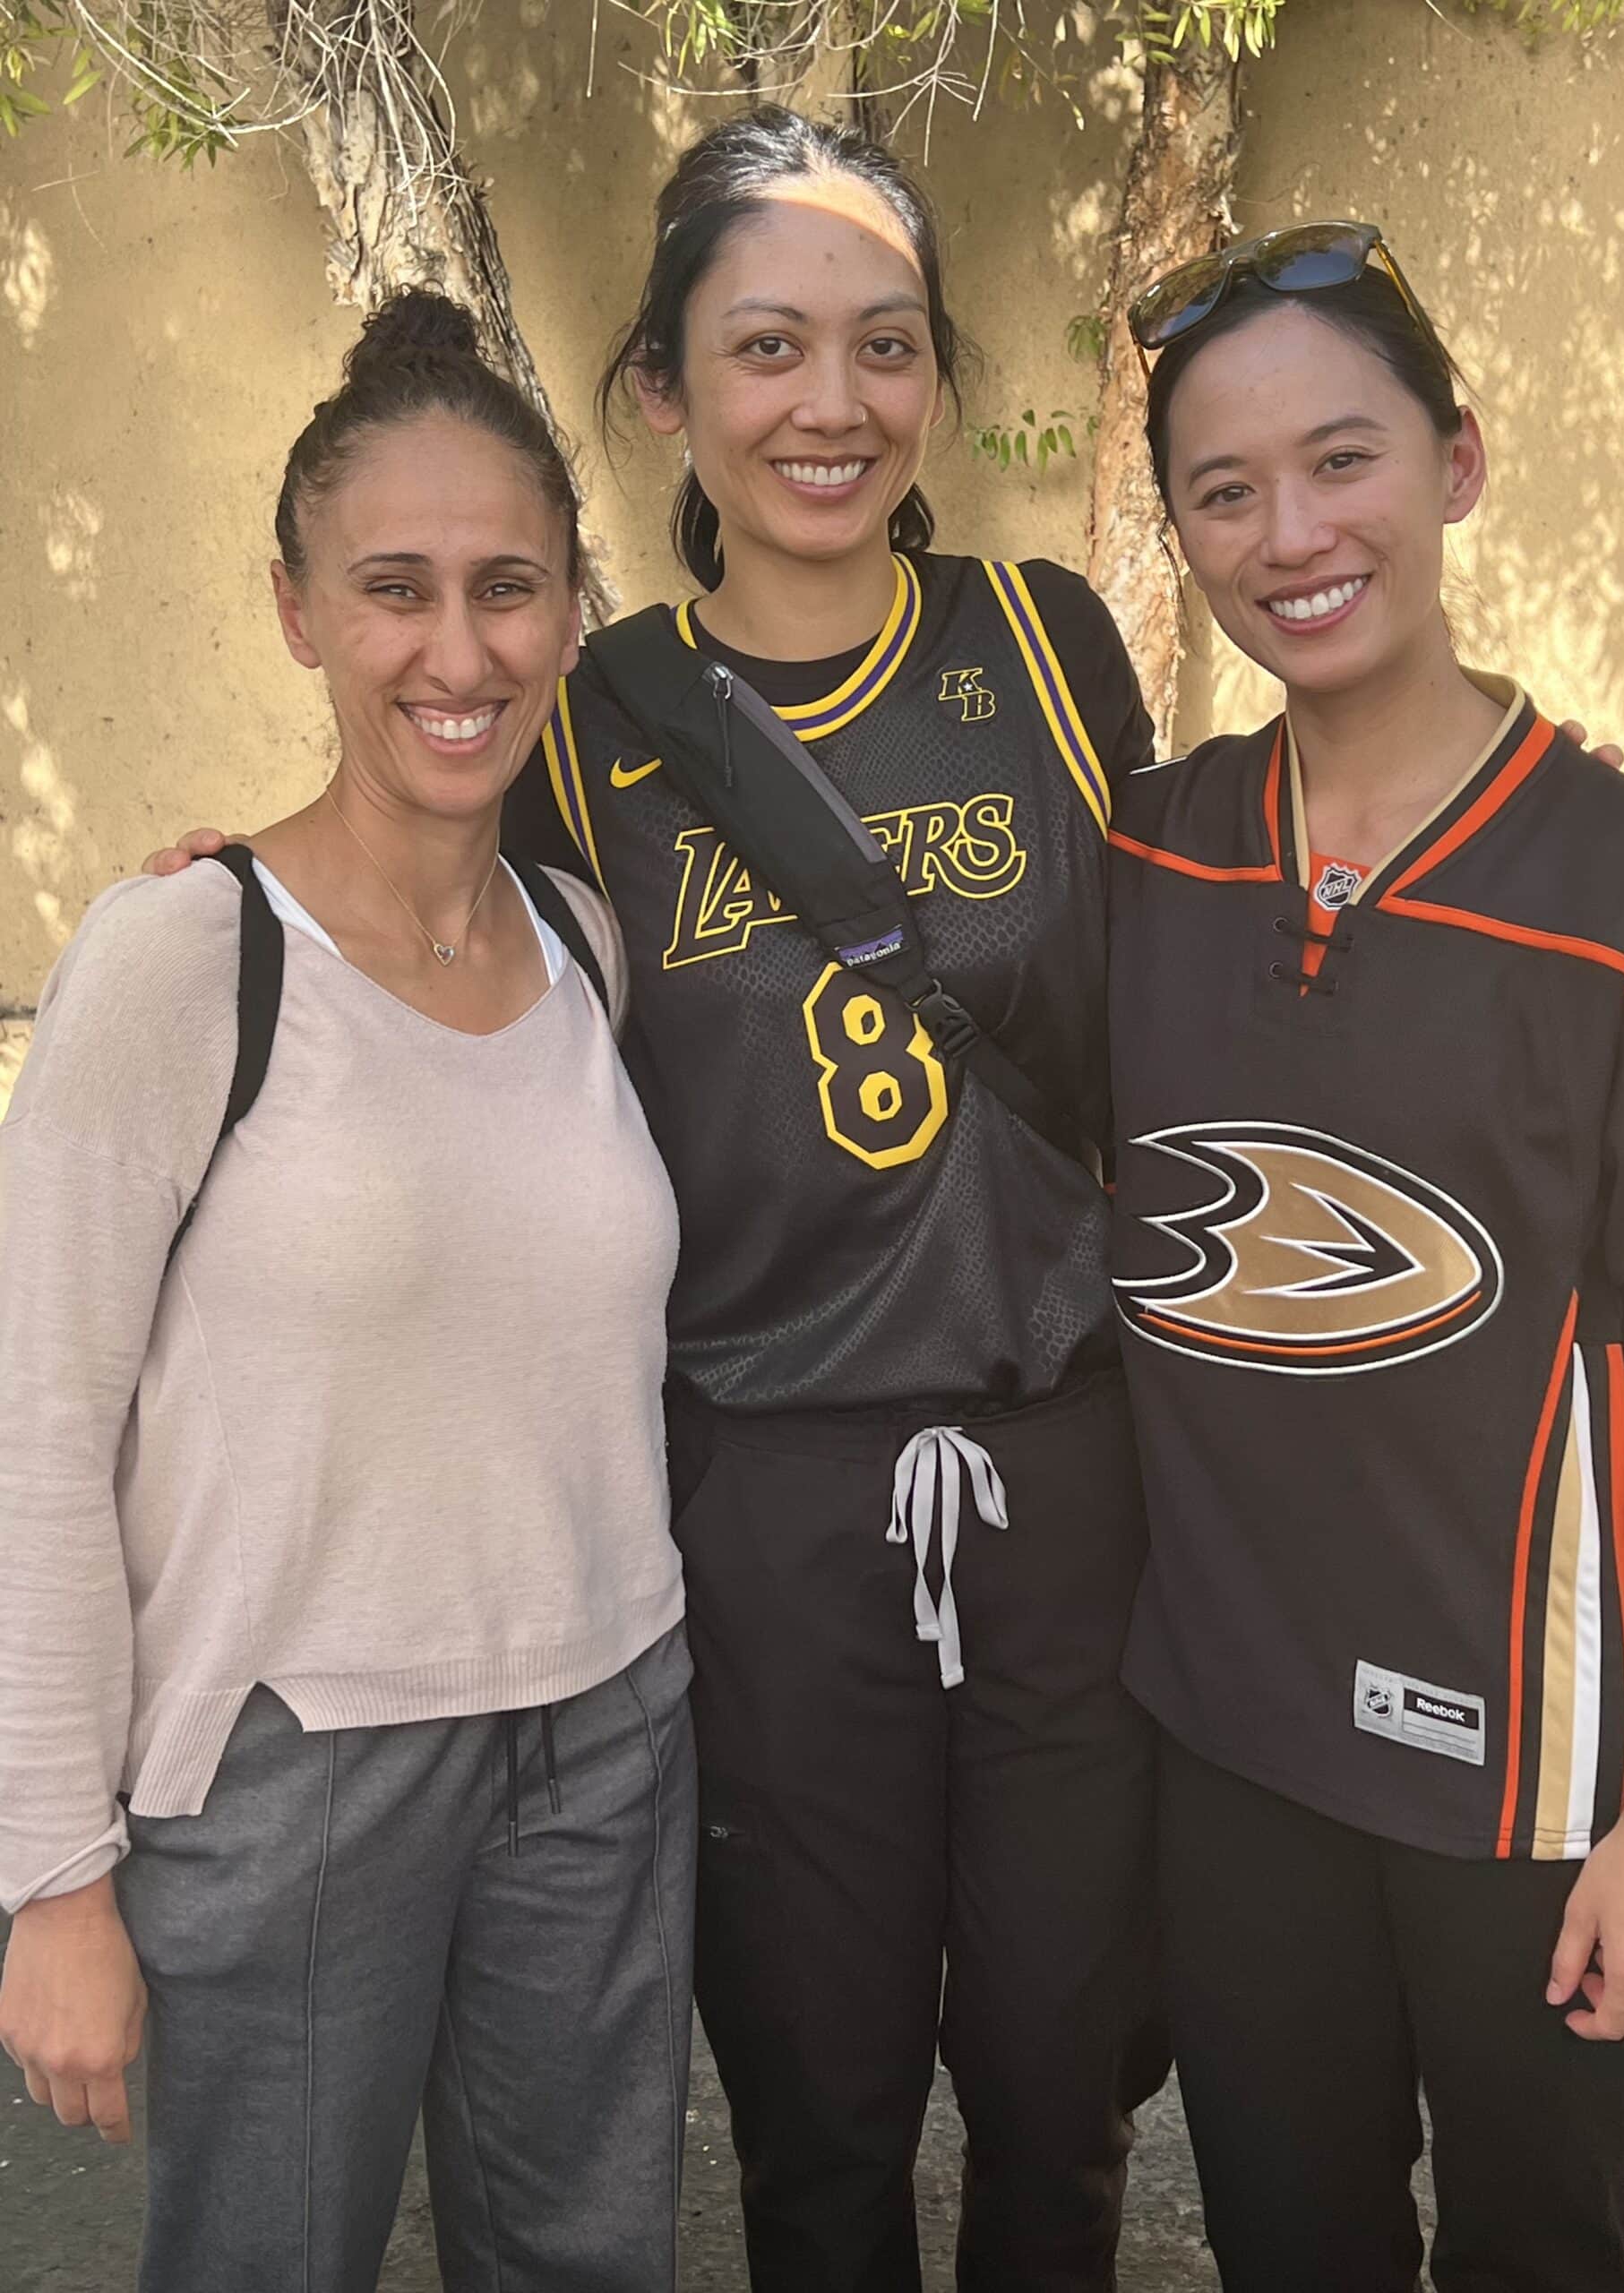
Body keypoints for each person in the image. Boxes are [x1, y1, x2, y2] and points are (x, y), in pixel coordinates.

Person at [149, 107, 1169, 2293]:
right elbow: (416, 957)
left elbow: (1189, 988)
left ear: (937, 373)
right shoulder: (587, 728)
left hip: (1065, 1473)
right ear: (661, 392)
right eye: (767, 344)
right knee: (819, 2119)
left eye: (885, 343)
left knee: (1062, 2094)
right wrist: (224, 896)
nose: (832, 400)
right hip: (766, 1505)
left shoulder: (1052, 646)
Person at [0, 291, 693, 2293]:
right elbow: (39, 1432)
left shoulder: (583, 942)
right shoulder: (182, 956)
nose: (456, 653)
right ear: (299, 611)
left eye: (507, 589)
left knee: (585, 2265)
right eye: (395, 590)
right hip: (300, 1758)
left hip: (610, 1728)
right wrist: (52, 1877)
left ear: (570, 612)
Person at [1107, 219, 1624, 2291]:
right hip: (1230, 1750)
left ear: (1457, 460)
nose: (1291, 533)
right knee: (1292, 2245)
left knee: (1541, 2252)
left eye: (1343, 458)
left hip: (1527, 1788)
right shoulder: (1147, 854)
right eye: (1225, 489)